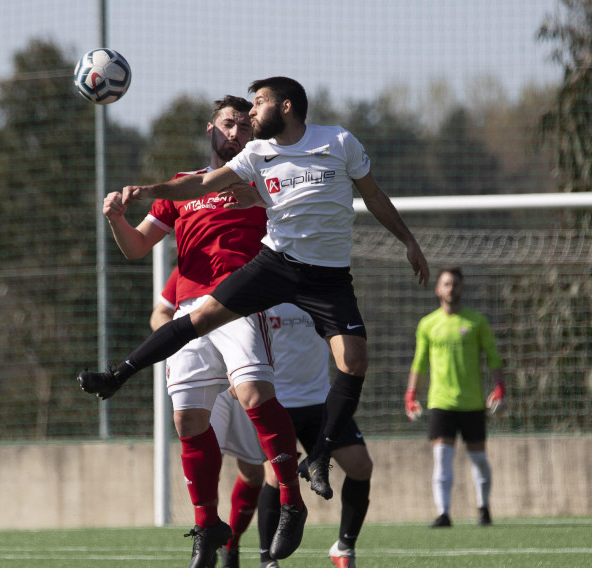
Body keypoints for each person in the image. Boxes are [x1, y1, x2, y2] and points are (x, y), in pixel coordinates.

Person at [79, 76, 429, 506]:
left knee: (353, 361)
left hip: (328, 277)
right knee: (198, 324)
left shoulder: (337, 142)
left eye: (255, 107)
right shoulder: (254, 155)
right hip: (275, 266)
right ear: (213, 128)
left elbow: (372, 195)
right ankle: (119, 375)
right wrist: (146, 193)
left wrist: (408, 239)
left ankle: (317, 457)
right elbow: (199, 187)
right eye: (233, 119)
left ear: (284, 107)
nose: (246, 119)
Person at [84, 95, 306, 568]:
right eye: (229, 124)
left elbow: (299, 224)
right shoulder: (183, 187)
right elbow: (138, 247)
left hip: (240, 304)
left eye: (245, 128)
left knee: (253, 393)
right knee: (187, 420)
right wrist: (116, 219)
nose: (236, 133)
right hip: (187, 313)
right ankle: (208, 527)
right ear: (210, 130)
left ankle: (291, 500)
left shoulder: (263, 180)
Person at [151, 269, 266, 568]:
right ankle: (206, 542)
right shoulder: (189, 268)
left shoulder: (256, 264)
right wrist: (178, 336)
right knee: (205, 462)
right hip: (205, 379)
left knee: (253, 472)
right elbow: (160, 313)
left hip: (242, 381)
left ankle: (231, 543)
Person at [254, 302, 373, 568]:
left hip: (322, 401)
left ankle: (344, 549)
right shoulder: (262, 289)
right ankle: (267, 564)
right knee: (274, 475)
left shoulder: (319, 289)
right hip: (277, 401)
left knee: (360, 466)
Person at [404, 267, 505, 528]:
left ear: (462, 288)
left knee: (479, 459)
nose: (451, 289)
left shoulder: (476, 322)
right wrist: (411, 394)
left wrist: (499, 387)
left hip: (472, 403)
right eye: (446, 284)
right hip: (441, 403)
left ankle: (484, 509)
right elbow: (419, 362)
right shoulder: (428, 324)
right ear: (438, 289)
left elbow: (493, 357)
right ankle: (444, 513)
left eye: (456, 284)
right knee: (442, 458)